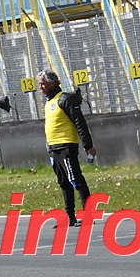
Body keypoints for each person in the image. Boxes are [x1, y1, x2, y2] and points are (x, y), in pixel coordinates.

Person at [37, 69, 96, 226]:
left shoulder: (65, 99)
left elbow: (80, 122)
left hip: (66, 146)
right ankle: (69, 216)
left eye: (43, 84)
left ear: (52, 83)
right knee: (63, 183)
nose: (40, 87)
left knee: (75, 180)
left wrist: (88, 145)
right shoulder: (49, 102)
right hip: (54, 148)